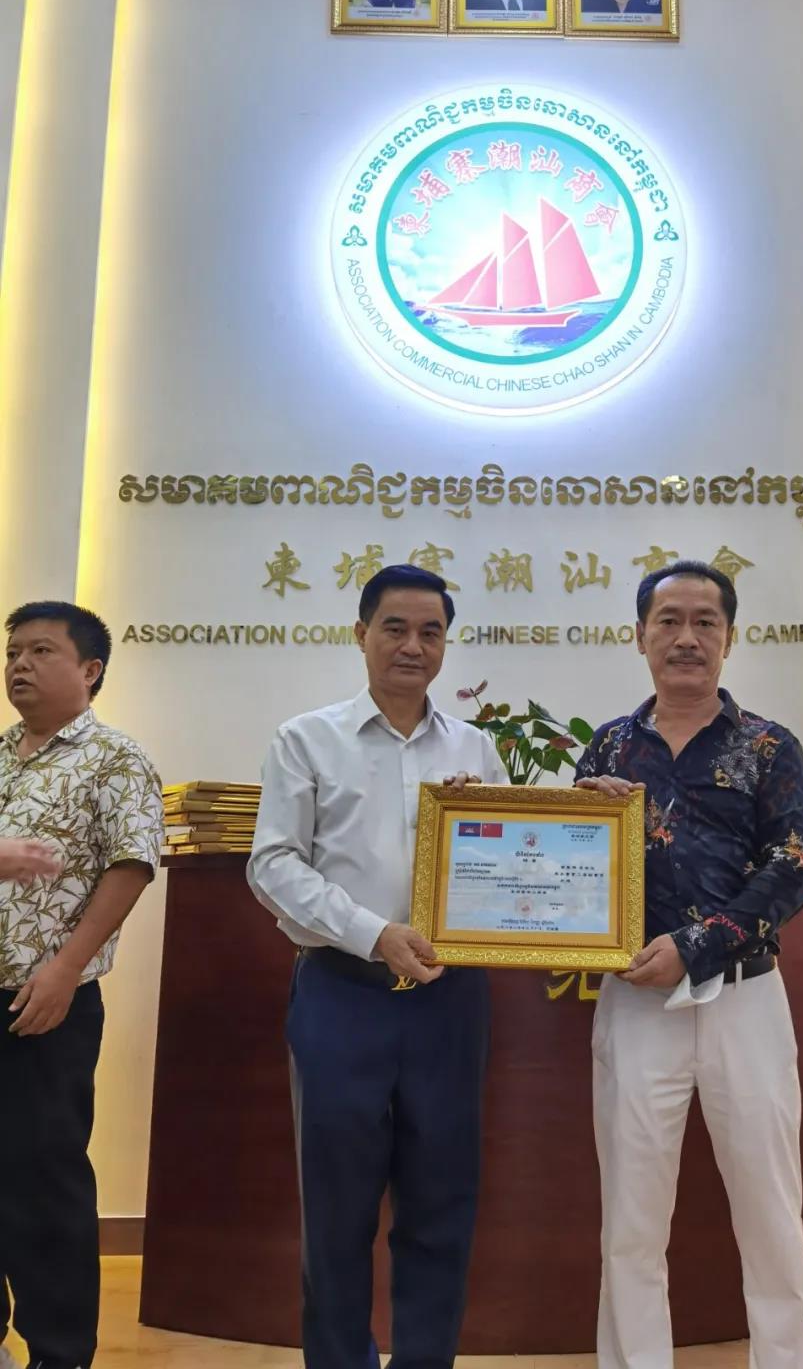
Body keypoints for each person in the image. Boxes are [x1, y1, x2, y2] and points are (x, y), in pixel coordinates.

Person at [248, 564, 508, 1369]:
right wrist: (373, 933)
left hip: (449, 1002)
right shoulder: (306, 738)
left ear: (446, 644)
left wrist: (491, 825)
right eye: (395, 627)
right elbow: (274, 863)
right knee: (337, 1209)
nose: (412, 645)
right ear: (360, 632)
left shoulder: (476, 749)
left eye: (431, 631)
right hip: (342, 993)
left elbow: (509, 873)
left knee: (442, 1202)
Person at [575, 561, 803, 1369]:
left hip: (743, 1000)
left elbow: (797, 861)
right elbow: (579, 874)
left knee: (771, 1209)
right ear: (639, 635)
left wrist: (698, 943)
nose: (687, 637)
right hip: (635, 1006)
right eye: (669, 620)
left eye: (705, 621)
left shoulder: (768, 746)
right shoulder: (610, 745)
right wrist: (577, 822)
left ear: (729, 637)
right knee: (631, 1219)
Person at [0, 602, 163, 1369]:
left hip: (46, 1001)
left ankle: (59, 1351)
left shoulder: (114, 757)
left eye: (40, 651)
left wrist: (66, 968)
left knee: (44, 1176)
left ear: (90, 669)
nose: (19, 665)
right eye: (13, 652)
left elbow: (132, 864)